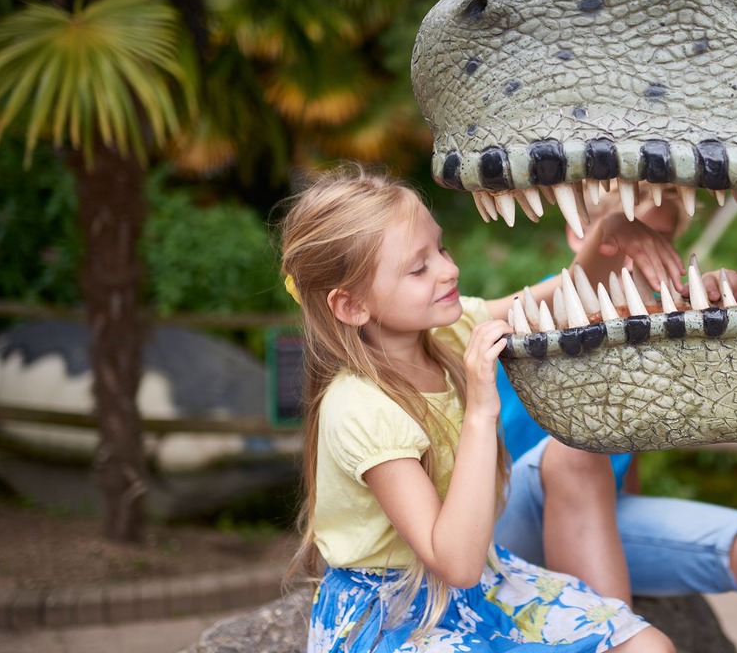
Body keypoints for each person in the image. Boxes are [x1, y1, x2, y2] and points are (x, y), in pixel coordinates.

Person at [279, 168, 676, 652]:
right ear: (352, 306)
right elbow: (455, 562)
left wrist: (608, 237)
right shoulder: (361, 407)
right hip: (394, 613)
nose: (448, 270)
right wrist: (480, 412)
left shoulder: (444, 331)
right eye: (418, 268)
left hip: (480, 583)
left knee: (645, 644)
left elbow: (568, 290)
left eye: (440, 249)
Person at [494, 186, 737, 653]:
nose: (641, 254)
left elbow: (624, 460)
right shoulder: (538, 311)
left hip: (585, 517)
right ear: (580, 234)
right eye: (630, 238)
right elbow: (584, 278)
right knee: (578, 449)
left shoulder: (654, 331)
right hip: (500, 523)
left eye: (657, 240)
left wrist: (731, 305)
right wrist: (612, 237)